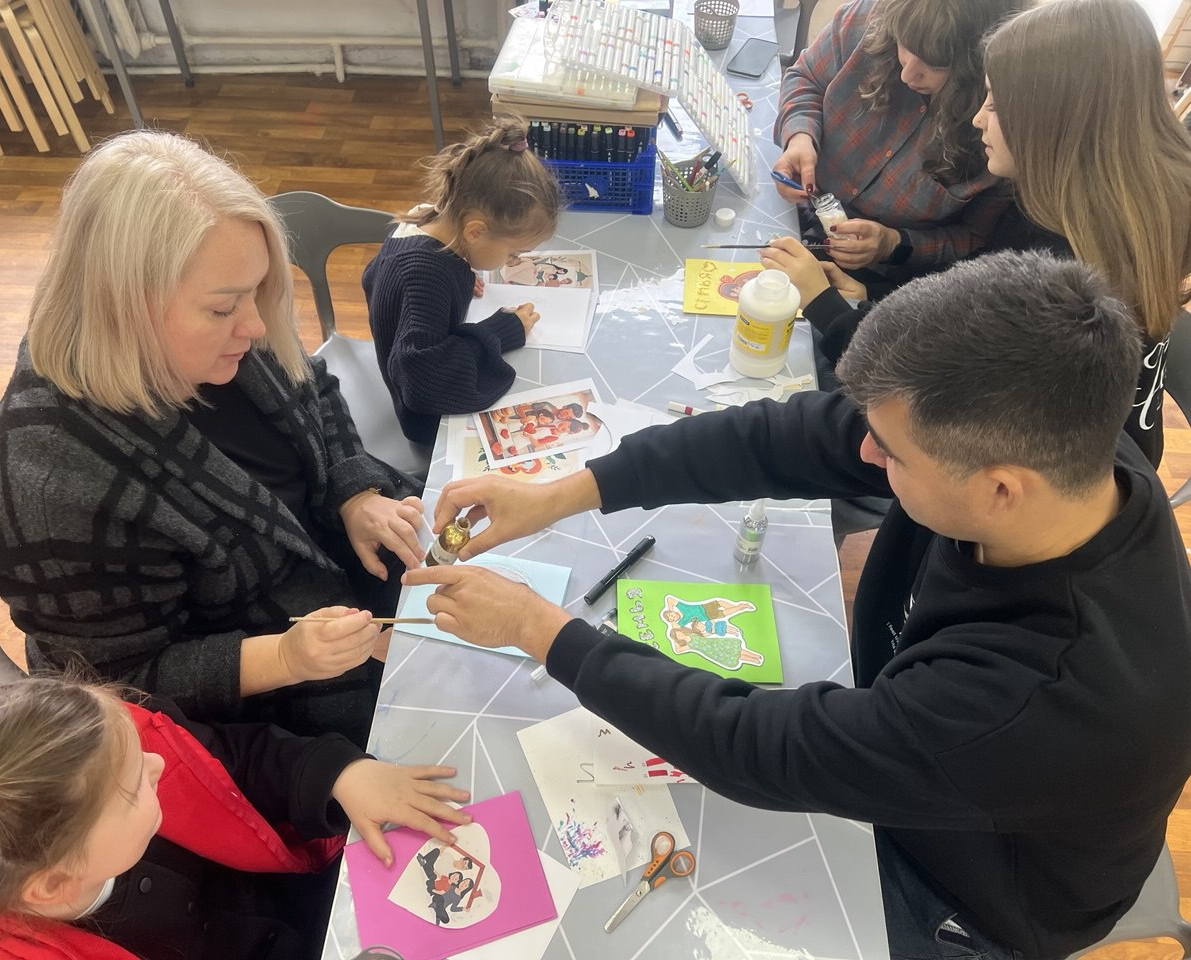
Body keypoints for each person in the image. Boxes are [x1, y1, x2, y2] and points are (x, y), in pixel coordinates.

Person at [405, 251, 1191, 958]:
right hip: (934, 749)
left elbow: (759, 748)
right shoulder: (1060, 437)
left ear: (1000, 491)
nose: (866, 454)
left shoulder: (1041, 697)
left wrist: (540, 629)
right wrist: (562, 493)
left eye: (892, 454)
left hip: (970, 896)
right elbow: (788, 437)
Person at [0, 130, 427, 740]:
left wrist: (355, 492)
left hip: (348, 589)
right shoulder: (53, 480)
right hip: (270, 715)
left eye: (256, 293)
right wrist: (285, 657)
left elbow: (313, 387)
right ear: (120, 303)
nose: (256, 324)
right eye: (222, 308)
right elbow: (116, 688)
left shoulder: (221, 332)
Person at [764, 0, 1191, 468]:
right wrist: (870, 295)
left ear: (1050, 121)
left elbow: (927, 395)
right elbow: (961, 324)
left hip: (987, 459)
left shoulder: (1057, 265)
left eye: (994, 101)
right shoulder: (1128, 208)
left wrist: (825, 305)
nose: (977, 119)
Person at [0, 677, 469, 960]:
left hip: (322, 892)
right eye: (134, 786)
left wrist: (340, 774)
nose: (157, 764)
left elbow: (234, 760)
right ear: (56, 883)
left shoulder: (100, 755)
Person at [773, 0, 1028, 272]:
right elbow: (806, 78)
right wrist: (800, 137)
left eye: (935, 65)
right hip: (786, 207)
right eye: (904, 45)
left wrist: (893, 244)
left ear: (978, 68)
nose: (907, 75)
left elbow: (974, 237)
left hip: (874, 273)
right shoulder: (871, 19)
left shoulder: (999, 134)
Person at [362, 116, 562, 446]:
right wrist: (502, 332)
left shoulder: (429, 220)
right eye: (513, 252)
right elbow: (422, 380)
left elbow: (376, 276)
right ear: (475, 231)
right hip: (431, 423)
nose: (513, 261)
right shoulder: (425, 273)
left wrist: (459, 278)